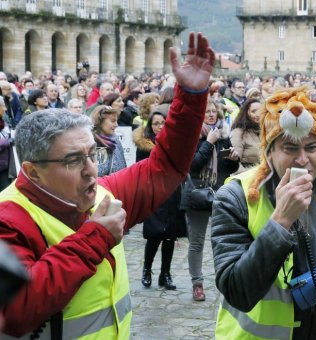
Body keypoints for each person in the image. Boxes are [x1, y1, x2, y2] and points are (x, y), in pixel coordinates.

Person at [0, 32, 215, 338]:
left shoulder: (102, 192)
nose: (91, 169)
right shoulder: (9, 219)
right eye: (73, 160)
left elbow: (165, 167)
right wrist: (94, 238)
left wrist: (191, 98)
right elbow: (15, 310)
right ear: (33, 172)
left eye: (92, 154)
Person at [211, 87, 316, 339]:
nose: (302, 159)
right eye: (289, 148)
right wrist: (280, 221)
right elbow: (237, 291)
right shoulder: (236, 197)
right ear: (269, 152)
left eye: (311, 147)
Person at [183, 97, 238, 301]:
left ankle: (225, 279)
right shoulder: (192, 136)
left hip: (219, 193)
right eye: (207, 112)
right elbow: (193, 165)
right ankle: (197, 283)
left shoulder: (223, 134)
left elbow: (228, 169)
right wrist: (208, 143)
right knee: (196, 242)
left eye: (214, 111)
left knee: (222, 239)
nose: (211, 115)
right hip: (197, 194)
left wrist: (234, 159)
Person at [133, 109, 186, 291]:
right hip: (154, 193)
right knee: (155, 235)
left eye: (163, 123)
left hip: (172, 192)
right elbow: (140, 170)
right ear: (150, 126)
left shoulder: (173, 142)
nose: (159, 126)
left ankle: (166, 273)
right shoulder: (144, 146)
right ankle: (147, 270)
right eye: (156, 123)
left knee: (170, 237)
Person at [90, 106, 127, 177]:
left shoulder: (115, 140)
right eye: (113, 121)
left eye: (117, 121)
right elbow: (98, 173)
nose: (116, 125)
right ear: (100, 122)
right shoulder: (93, 143)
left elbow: (124, 167)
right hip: (103, 186)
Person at [230, 98, 262, 174]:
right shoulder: (238, 133)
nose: (258, 114)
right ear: (246, 113)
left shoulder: (266, 132)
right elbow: (234, 163)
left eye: (261, 111)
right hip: (246, 178)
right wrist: (249, 176)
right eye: (254, 111)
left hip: (264, 178)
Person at [0, 97, 11, 191]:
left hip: (4, 166)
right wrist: (7, 141)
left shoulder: (3, 122)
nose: (5, 108)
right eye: (3, 106)